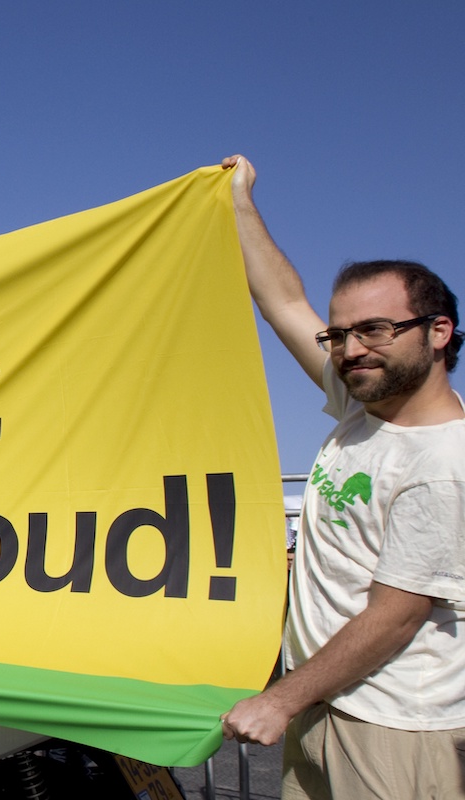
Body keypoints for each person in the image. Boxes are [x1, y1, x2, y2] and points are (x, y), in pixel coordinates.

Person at [218, 155, 465, 798]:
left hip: (392, 726)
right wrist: (239, 199)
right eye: (341, 334)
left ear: (438, 332)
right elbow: (282, 302)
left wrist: (279, 699)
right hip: (325, 701)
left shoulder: (445, 464)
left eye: (376, 329)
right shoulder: (363, 408)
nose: (352, 349)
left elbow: (396, 618)